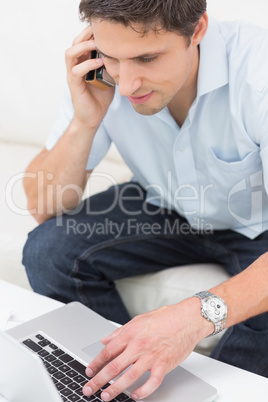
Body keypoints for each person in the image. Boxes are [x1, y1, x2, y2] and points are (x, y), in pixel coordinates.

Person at [22, 0, 268, 400]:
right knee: (48, 251)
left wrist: (191, 318)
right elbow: (43, 207)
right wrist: (85, 120)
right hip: (165, 200)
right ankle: (118, 386)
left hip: (260, 222)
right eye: (114, 58)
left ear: (198, 29)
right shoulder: (102, 76)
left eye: (147, 57)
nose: (129, 83)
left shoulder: (259, 74)